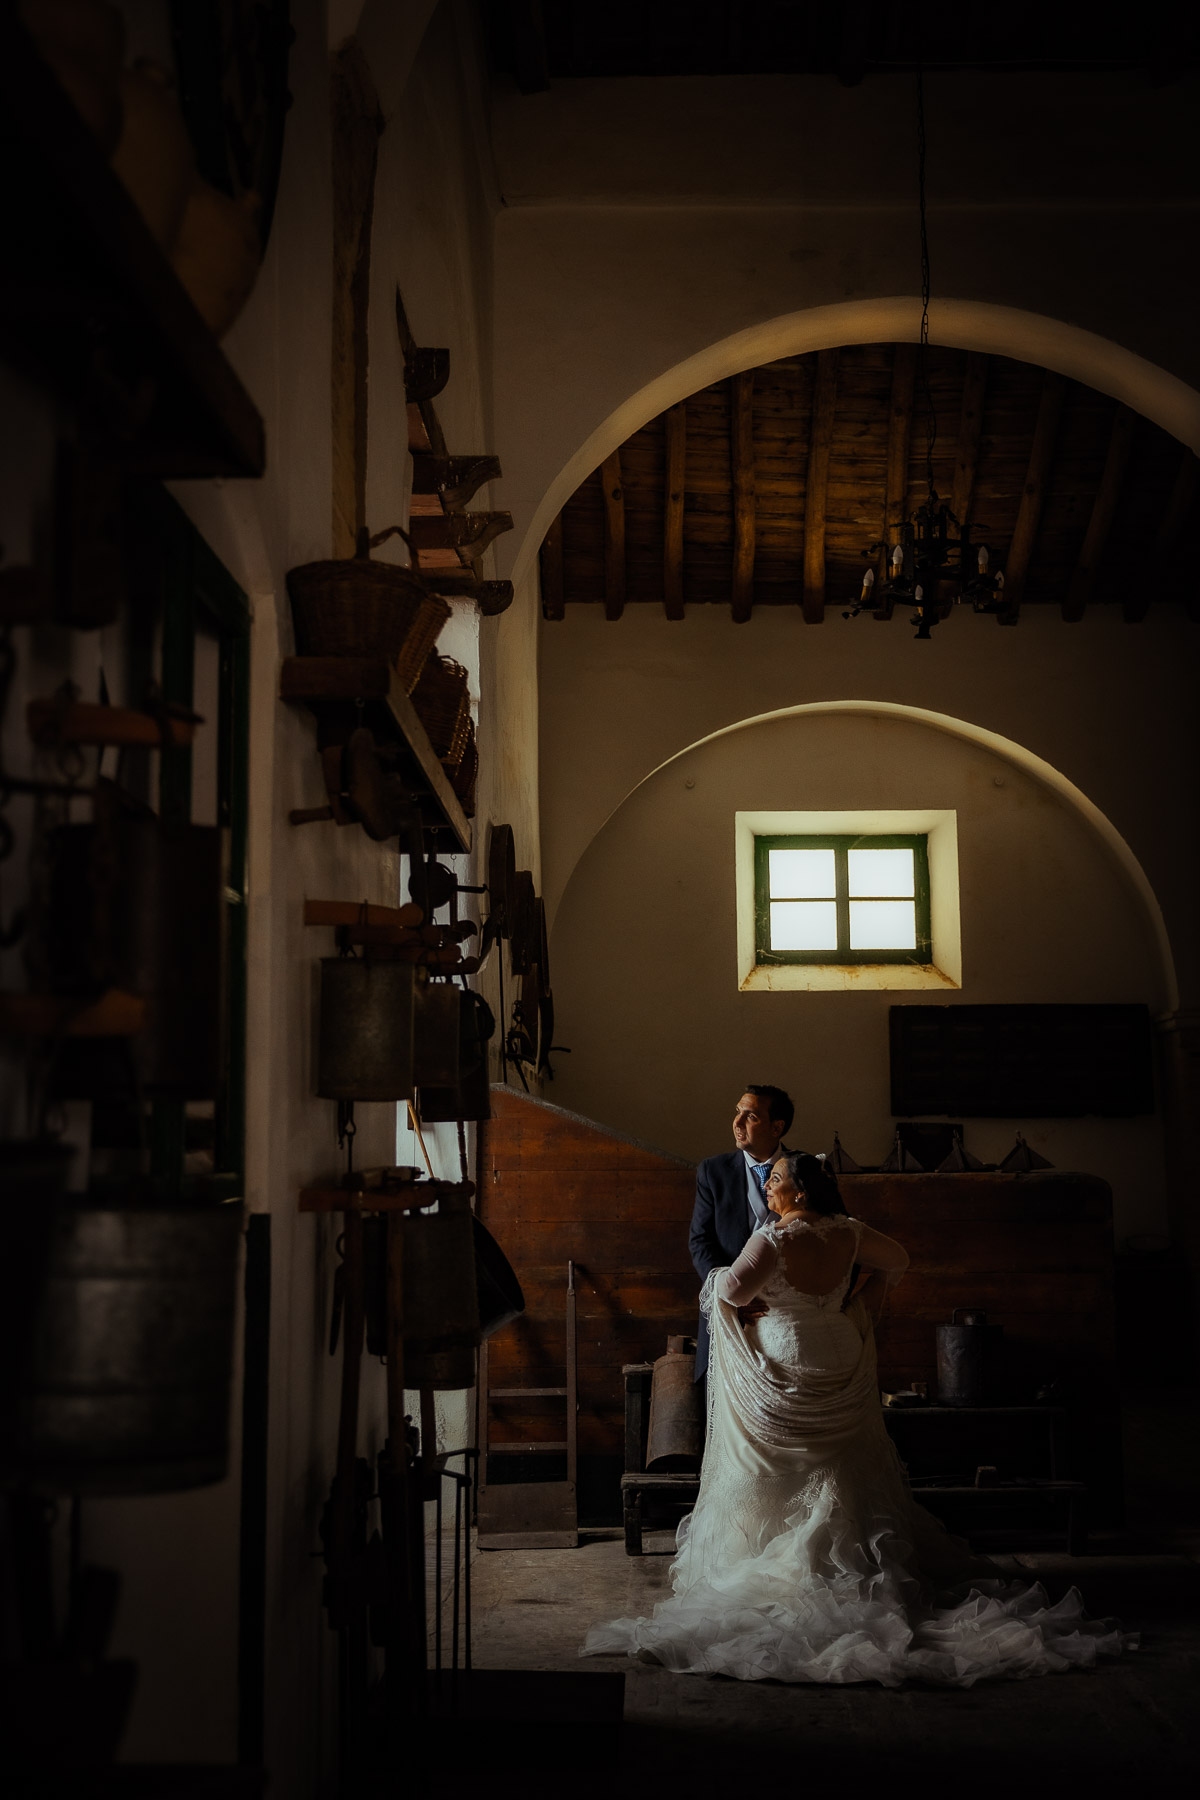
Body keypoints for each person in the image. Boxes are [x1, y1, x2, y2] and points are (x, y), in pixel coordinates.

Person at [584, 1151, 1131, 1686]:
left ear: (799, 1191)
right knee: (842, 1458)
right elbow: (900, 1260)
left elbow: (729, 1291)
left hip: (789, 1357)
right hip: (839, 1349)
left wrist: (730, 1285)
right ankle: (852, 1555)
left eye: (775, 1180)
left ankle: (787, 1562)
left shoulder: (772, 1238)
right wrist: (854, 1300)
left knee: (776, 1463)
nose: (768, 1187)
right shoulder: (848, 1231)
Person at [689, 1086, 802, 1387]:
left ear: (777, 1127)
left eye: (750, 1116)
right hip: (731, 1314)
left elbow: (836, 1232)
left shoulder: (807, 1169)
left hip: (792, 1319)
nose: (737, 1122)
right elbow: (700, 1241)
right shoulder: (713, 1171)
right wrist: (730, 1295)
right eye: (737, 1112)